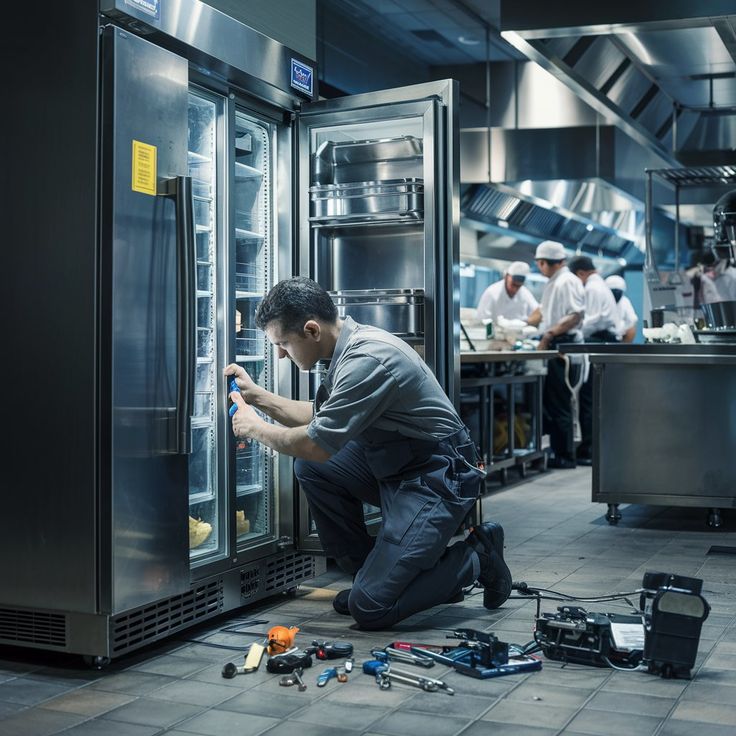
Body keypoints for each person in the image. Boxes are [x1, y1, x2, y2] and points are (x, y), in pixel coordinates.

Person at [224, 276, 512, 630]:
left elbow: (316, 444)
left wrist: (255, 428)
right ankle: (376, 577)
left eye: (283, 343)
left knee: (371, 609)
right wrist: (258, 398)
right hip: (399, 467)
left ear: (312, 330)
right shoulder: (346, 347)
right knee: (313, 471)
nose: (281, 354)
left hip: (437, 478)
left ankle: (476, 557)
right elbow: (322, 419)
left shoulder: (368, 358)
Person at [532, 241, 585, 469]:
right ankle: (558, 452)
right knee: (554, 404)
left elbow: (575, 315)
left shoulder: (566, 281)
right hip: (557, 346)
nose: (539, 267)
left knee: (560, 404)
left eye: (539, 263)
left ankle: (565, 456)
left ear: (544, 262)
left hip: (563, 348)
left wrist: (548, 335)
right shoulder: (555, 282)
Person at [567, 255, 620, 466]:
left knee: (589, 399)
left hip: (598, 341)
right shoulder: (600, 286)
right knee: (595, 399)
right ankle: (591, 448)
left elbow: (593, 320)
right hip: (604, 342)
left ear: (580, 273)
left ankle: (588, 449)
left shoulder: (592, 288)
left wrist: (574, 330)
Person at [604, 274, 638, 343]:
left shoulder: (625, 301)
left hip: (620, 337)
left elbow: (632, 320)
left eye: (618, 291)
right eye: (613, 291)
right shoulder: (601, 301)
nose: (616, 294)